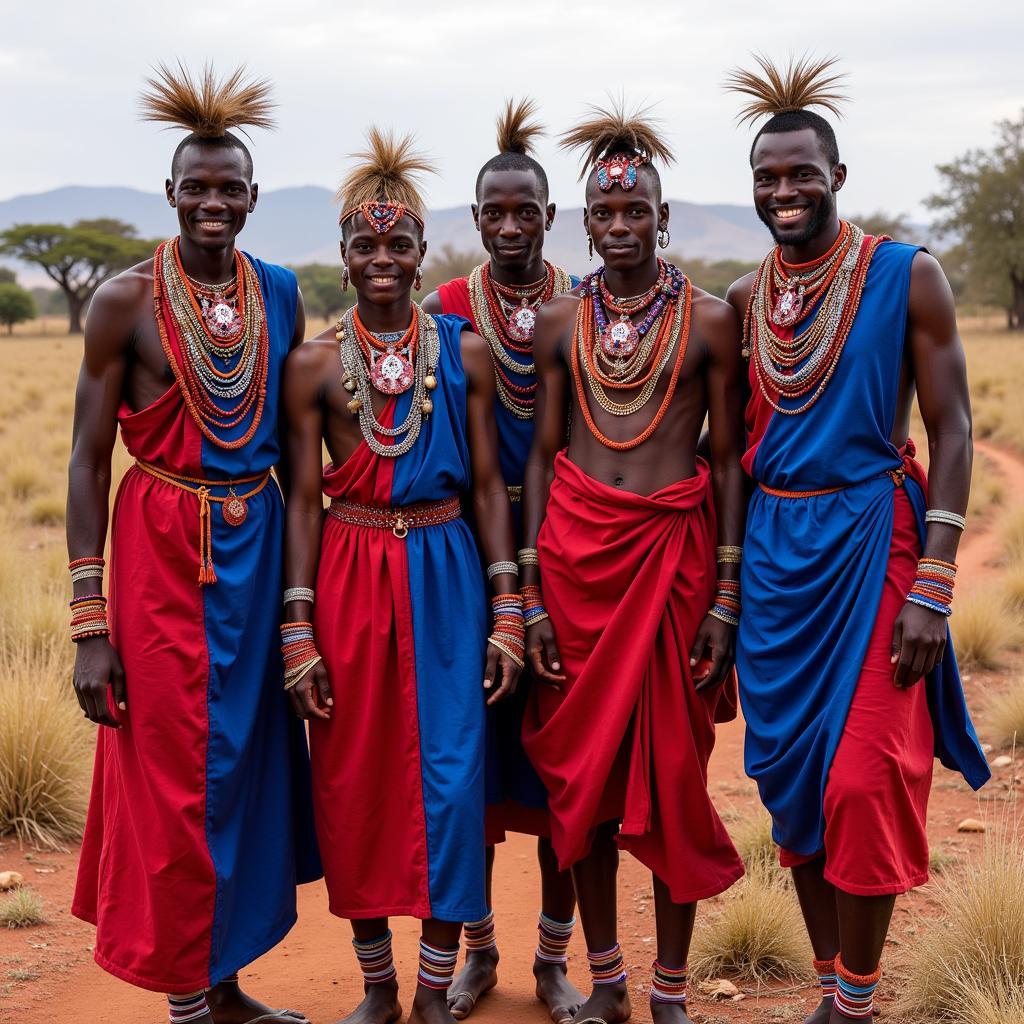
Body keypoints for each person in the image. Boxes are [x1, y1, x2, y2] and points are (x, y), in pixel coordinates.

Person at [724, 55, 991, 1023]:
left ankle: (852, 1003)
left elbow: (954, 427)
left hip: (872, 544)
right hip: (775, 560)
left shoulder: (904, 274)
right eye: (766, 176)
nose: (783, 191)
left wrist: (935, 582)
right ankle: (842, 989)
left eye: (800, 173)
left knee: (864, 776)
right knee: (793, 785)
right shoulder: (749, 302)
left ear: (836, 176)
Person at [67, 63, 320, 1024]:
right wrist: (90, 622)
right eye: (196, 187)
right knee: (173, 770)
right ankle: (184, 995)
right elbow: (88, 465)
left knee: (246, 760)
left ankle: (225, 986)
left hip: (255, 559)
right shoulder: (123, 303)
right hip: (161, 553)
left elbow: (301, 458)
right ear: (170, 194)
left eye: (230, 189)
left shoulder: (282, 293)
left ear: (253, 199)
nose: (213, 203)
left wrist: (301, 604)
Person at [280, 127, 523, 1024]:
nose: (383, 259)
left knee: (453, 780)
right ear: (343, 261)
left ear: (424, 255)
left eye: (398, 244)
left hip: (448, 573)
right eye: (365, 245)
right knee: (353, 781)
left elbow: (493, 483)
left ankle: (432, 992)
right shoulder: (310, 366)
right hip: (346, 576)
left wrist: (508, 607)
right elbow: (301, 503)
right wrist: (297, 628)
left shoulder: (463, 355)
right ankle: (377, 987)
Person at [520, 103, 746, 1024]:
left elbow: (728, 458)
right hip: (573, 567)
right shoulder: (557, 321)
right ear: (586, 223)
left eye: (636, 212)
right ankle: (608, 978)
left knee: (673, 784)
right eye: (604, 216)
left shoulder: (710, 322)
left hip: (673, 567)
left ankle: (671, 991)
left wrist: (726, 594)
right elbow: (539, 455)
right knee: (586, 786)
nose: (620, 228)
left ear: (664, 218)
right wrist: (529, 592)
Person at [421, 98, 581, 1024]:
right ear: (474, 220)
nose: (512, 225)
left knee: (566, 760)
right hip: (463, 566)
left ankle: (554, 960)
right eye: (495, 212)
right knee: (466, 761)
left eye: (528, 210)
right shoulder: (444, 314)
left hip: (571, 555)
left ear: (551, 216)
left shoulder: (585, 306)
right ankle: (476, 951)